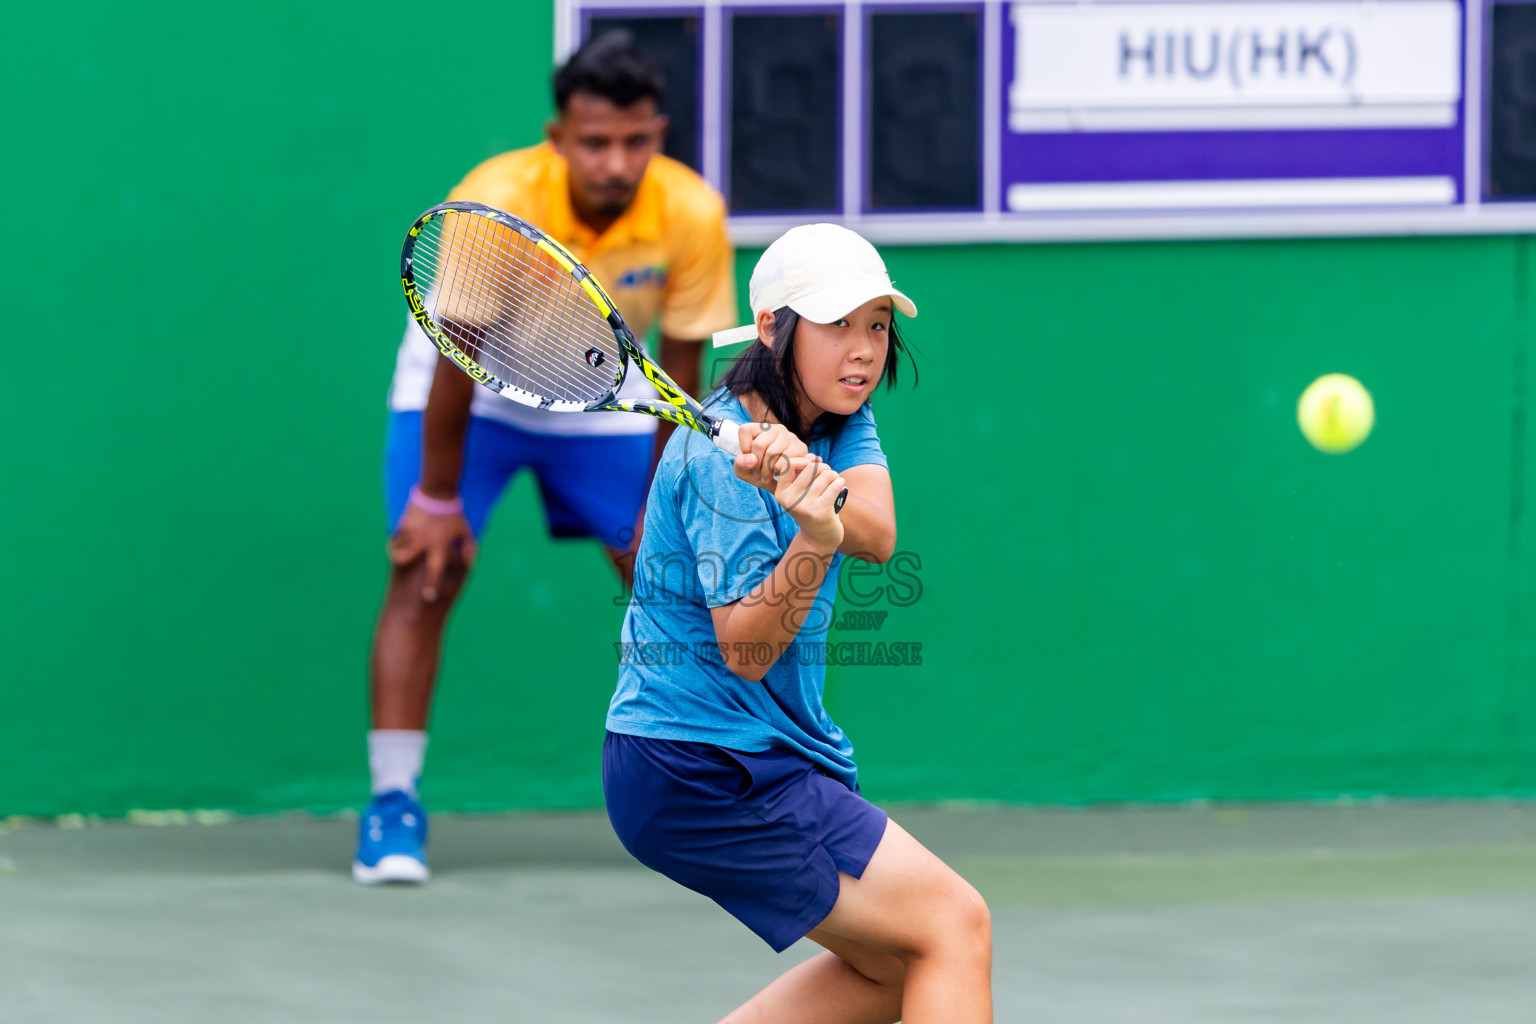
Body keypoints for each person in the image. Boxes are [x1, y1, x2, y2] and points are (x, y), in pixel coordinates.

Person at [356, 31, 737, 885]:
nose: (616, 161)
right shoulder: (497, 197)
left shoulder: (691, 213)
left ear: (659, 135)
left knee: (665, 573)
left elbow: (678, 372)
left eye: (636, 141)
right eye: (595, 142)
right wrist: (437, 495)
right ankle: (392, 806)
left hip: (598, 391)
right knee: (428, 570)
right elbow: (458, 358)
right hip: (471, 391)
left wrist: (659, 504)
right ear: (558, 136)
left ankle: (718, 793)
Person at [603, 224, 993, 1023]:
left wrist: (816, 492)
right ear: (773, 329)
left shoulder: (837, 413)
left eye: (877, 325)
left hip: (753, 757)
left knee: (890, 970)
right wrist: (814, 536)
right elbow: (746, 649)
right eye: (837, 324)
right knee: (955, 925)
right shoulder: (716, 461)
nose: (863, 351)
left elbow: (878, 533)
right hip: (701, 765)